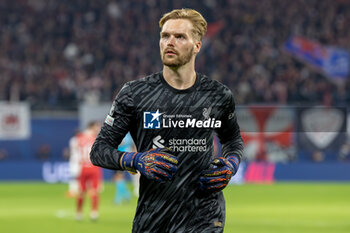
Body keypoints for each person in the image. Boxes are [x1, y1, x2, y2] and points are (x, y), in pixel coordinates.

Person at [90, 9, 244, 232]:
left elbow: (233, 141)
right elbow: (99, 150)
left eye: (180, 37)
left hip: (205, 217)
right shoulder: (134, 94)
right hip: (153, 218)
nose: (169, 42)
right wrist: (136, 160)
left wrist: (230, 165)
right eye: (165, 35)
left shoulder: (218, 95)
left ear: (197, 46)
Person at [70, 121, 102, 221]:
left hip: (82, 167)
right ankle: (94, 213)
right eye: (97, 127)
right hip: (94, 167)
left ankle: (79, 213)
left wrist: (74, 168)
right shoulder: (97, 138)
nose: (98, 129)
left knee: (81, 191)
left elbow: (74, 154)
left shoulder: (78, 138)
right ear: (92, 127)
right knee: (94, 191)